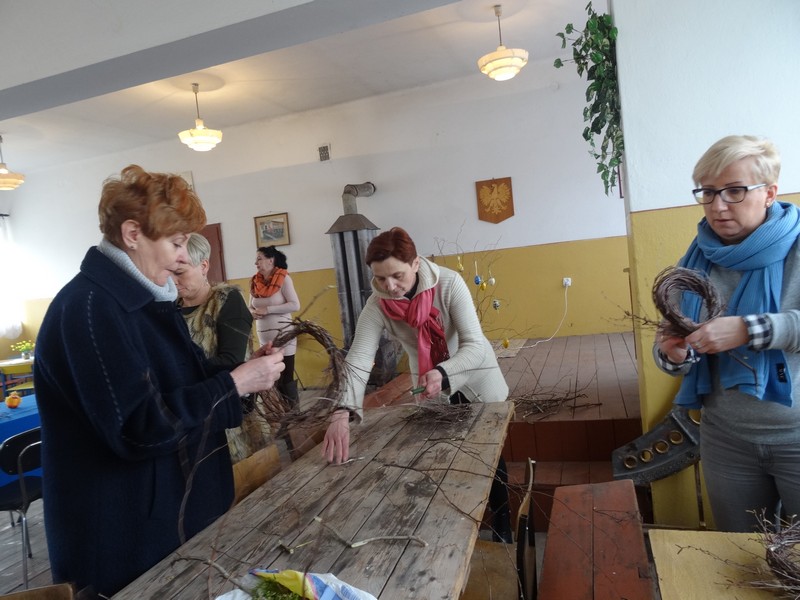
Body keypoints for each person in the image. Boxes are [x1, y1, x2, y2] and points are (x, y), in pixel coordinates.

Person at [33, 165, 285, 596]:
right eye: (176, 242)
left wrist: (239, 374)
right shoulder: (90, 310)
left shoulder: (142, 301)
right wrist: (234, 385)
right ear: (133, 234)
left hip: (171, 519)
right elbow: (139, 428)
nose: (183, 257)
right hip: (125, 536)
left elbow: (181, 382)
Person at [321, 227, 512, 541]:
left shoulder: (449, 284)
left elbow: (476, 346)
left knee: (491, 457)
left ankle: (503, 527)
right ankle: (456, 529)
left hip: (475, 377)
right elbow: (358, 359)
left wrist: (443, 371)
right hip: (429, 385)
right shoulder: (377, 305)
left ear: (415, 264)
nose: (390, 286)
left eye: (397, 275)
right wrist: (341, 410)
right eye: (380, 278)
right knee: (443, 454)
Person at [654, 135, 800, 532]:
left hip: (795, 434)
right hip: (726, 439)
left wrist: (749, 330)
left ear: (769, 193)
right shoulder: (696, 259)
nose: (718, 206)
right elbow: (668, 340)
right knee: (737, 551)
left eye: (735, 191)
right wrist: (673, 354)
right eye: (708, 192)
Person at [174, 233, 273, 478]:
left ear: (204, 266)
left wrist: (174, 373)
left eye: (180, 272)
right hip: (190, 416)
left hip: (230, 420)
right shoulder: (171, 309)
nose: (173, 280)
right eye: (169, 272)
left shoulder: (226, 301)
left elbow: (230, 362)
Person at [249, 246, 301, 408]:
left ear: (271, 260)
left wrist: (268, 310)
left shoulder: (284, 278)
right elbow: (250, 306)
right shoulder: (255, 282)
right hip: (265, 340)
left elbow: (295, 305)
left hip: (284, 336)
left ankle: (293, 416)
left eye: (259, 259)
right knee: (271, 379)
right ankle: (277, 416)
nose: (256, 263)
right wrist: (253, 313)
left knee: (285, 379)